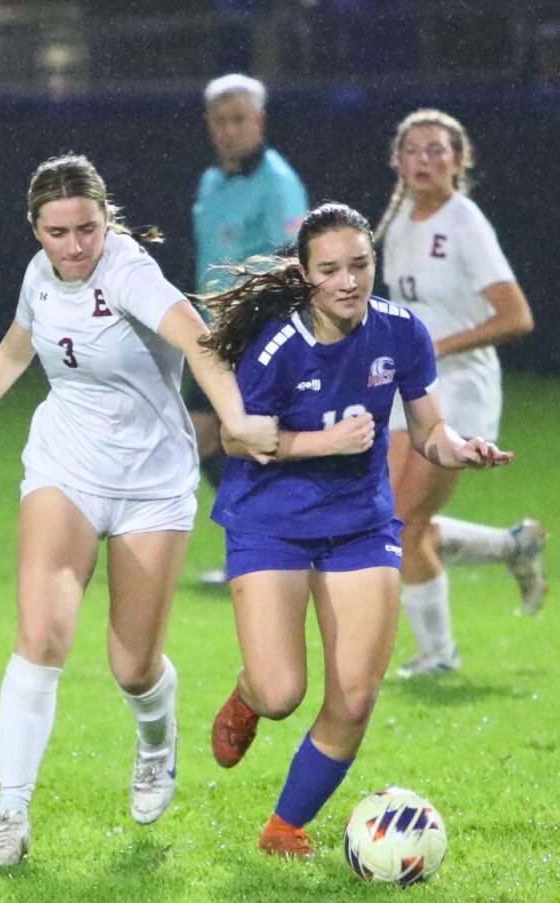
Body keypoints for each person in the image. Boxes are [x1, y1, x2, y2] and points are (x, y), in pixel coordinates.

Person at [0, 153, 277, 868]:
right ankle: (10, 815)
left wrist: (234, 418)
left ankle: (156, 740)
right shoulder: (40, 274)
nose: (74, 246)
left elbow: (199, 340)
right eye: (57, 233)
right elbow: (12, 352)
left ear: (105, 219)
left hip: (150, 481)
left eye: (86, 228)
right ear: (35, 228)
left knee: (132, 666)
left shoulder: (129, 272)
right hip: (66, 469)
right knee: (40, 636)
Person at [202, 201, 512, 858]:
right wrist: (325, 442)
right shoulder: (277, 346)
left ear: (375, 262)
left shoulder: (401, 331)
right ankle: (248, 696)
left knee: (355, 696)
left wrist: (458, 448)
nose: (348, 281)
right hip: (270, 523)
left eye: (360, 265)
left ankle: (284, 827)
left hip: (359, 525)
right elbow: (233, 440)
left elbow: (427, 427)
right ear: (304, 275)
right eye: (330, 270)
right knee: (282, 692)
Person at [377, 108, 546, 678]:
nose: (423, 160)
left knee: (403, 523)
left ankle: (439, 655)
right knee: (391, 520)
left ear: (458, 160)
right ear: (398, 160)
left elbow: (517, 316)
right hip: (410, 388)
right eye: (412, 150)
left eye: (436, 150)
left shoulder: (465, 222)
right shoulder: (398, 220)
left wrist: (437, 347)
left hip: (460, 389)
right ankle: (511, 547)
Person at [189, 72, 309, 583]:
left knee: (246, 443)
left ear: (259, 121)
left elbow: (293, 264)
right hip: (211, 338)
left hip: (256, 339)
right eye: (220, 120)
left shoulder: (278, 182)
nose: (229, 129)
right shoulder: (211, 182)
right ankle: (259, 544)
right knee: (204, 438)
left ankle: (269, 550)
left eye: (239, 119)